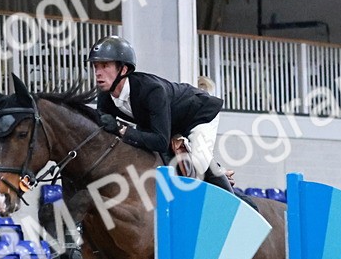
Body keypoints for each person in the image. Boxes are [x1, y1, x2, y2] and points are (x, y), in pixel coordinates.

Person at [89, 35, 234, 192]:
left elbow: (160, 141)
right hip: (169, 123)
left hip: (198, 114)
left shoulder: (151, 91)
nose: (98, 73)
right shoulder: (105, 96)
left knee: (199, 165)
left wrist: (120, 128)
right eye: (96, 66)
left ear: (123, 69)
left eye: (105, 66)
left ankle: (232, 194)